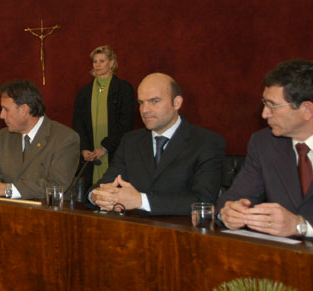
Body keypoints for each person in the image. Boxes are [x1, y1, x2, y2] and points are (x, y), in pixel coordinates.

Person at [218, 59, 313, 240]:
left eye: (272, 105)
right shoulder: (264, 143)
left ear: (307, 109)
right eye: (264, 103)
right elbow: (235, 197)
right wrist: (228, 213)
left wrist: (300, 224)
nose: (264, 113)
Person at [90, 73, 225, 215]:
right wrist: (97, 197)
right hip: (131, 231)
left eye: (154, 101)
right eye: (141, 102)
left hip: (182, 233)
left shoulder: (206, 142)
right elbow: (104, 184)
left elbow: (203, 202)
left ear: (177, 103)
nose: (145, 110)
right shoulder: (130, 141)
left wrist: (141, 201)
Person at [0, 80, 79, 200]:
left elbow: (55, 185)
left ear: (24, 110)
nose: (1, 115)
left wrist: (6, 189)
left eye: (6, 109)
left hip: (50, 212)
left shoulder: (65, 138)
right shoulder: (5, 136)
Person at [71, 45, 134, 189]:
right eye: (95, 61)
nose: (97, 65)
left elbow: (126, 124)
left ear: (111, 63)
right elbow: (78, 123)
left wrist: (105, 147)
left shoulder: (124, 89)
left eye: (102, 61)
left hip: (114, 152)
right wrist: (84, 149)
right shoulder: (84, 92)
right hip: (90, 158)